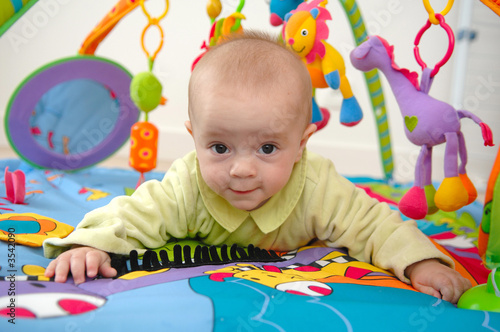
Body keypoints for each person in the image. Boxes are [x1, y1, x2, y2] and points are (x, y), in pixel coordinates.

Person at [43, 30, 471, 303]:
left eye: (267, 148)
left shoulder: (317, 184)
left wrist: (421, 263)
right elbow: (131, 215)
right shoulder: (187, 183)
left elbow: (374, 225)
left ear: (301, 145)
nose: (242, 169)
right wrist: (91, 246)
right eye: (219, 147)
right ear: (193, 139)